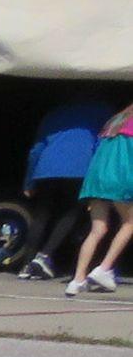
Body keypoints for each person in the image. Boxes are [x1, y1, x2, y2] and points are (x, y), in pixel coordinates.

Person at [16, 95, 112, 280]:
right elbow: (102, 143)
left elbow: (37, 147)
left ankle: (26, 263)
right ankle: (44, 256)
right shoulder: (102, 110)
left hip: (46, 168)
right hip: (78, 168)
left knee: (42, 214)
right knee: (71, 212)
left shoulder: (55, 113)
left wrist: (28, 181)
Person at [63, 101, 133, 297]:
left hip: (96, 179)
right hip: (119, 179)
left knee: (97, 230)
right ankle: (104, 267)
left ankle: (77, 280)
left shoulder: (114, 123)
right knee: (129, 223)